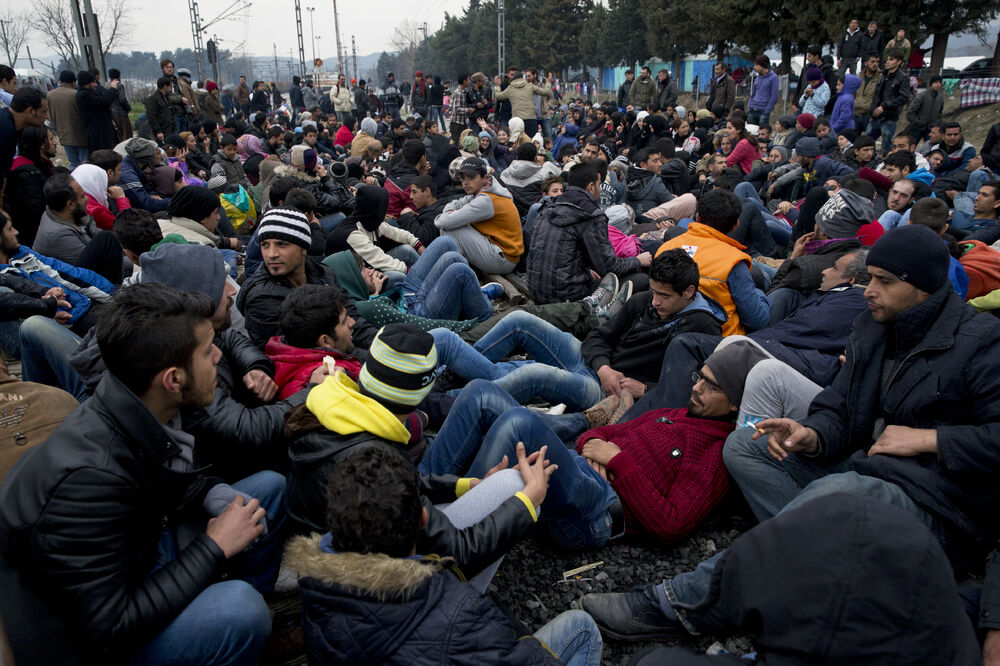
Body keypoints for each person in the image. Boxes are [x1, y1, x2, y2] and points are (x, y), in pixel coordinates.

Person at [577, 225, 1000, 650]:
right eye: (869, 277)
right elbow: (841, 409)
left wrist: (931, 441)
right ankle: (821, 547)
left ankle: (682, 604)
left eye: (883, 282)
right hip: (870, 466)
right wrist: (811, 434)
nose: (868, 290)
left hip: (938, 501)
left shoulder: (980, 342)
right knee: (744, 444)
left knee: (842, 492)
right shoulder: (874, 328)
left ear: (923, 286)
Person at [0, 283, 284, 665]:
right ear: (172, 379)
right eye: (206, 351)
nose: (219, 355)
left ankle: (231, 632)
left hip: (139, 552)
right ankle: (225, 630)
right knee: (240, 609)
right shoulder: (88, 482)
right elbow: (109, 625)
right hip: (85, 640)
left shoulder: (140, 407)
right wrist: (212, 549)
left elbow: (170, 483)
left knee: (267, 488)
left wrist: (211, 493)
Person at [285, 443, 603, 665]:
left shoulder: (314, 578)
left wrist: (472, 486)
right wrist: (527, 500)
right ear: (424, 520)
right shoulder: (457, 611)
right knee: (582, 627)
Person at [236, 207, 377, 348]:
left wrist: (384, 345)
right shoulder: (261, 298)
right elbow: (293, 355)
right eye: (265, 245)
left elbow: (352, 321)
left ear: (303, 248)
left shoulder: (324, 273)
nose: (271, 254)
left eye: (281, 244)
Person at [528, 162, 649, 305]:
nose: (600, 189)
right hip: (567, 298)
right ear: (591, 186)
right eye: (599, 184)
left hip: (536, 291)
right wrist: (638, 260)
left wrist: (585, 268)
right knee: (641, 280)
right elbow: (609, 267)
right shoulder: (590, 215)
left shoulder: (548, 208)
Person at [656, 189, 770, 335]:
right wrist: (760, 295)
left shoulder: (664, 249)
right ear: (736, 225)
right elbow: (757, 321)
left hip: (669, 333)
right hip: (720, 343)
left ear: (697, 217)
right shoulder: (734, 261)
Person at [433, 157, 523, 275]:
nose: (466, 182)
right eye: (463, 178)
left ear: (484, 178)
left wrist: (447, 214)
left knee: (450, 228)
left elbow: (442, 222)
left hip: (503, 259)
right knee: (450, 225)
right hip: (499, 252)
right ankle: (458, 270)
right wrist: (449, 212)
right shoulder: (480, 192)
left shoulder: (486, 200)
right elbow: (454, 203)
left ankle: (460, 274)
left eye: (472, 177)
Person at [3, 127, 56, 246]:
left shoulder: (40, 166)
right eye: (51, 139)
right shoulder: (27, 175)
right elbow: (33, 215)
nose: (55, 143)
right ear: (42, 145)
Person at [867, 48, 910, 154]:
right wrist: (872, 112)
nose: (888, 62)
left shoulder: (903, 78)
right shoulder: (883, 76)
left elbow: (903, 98)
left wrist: (885, 106)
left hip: (890, 117)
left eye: (891, 59)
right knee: (867, 141)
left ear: (899, 62)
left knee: (886, 144)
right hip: (876, 115)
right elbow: (877, 95)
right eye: (887, 59)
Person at [47, 71, 88, 168]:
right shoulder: (76, 94)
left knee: (73, 163)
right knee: (85, 164)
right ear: (73, 82)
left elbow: (50, 115)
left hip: (64, 135)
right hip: (80, 135)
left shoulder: (50, 95)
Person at [396, 173, 447, 246]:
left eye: (414, 192)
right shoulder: (430, 209)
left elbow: (423, 240)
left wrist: (408, 216)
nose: (410, 196)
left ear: (427, 191)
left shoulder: (436, 214)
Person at [75, 69, 118, 153]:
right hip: (98, 134)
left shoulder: (88, 93)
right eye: (93, 82)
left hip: (101, 131)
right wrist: (112, 89)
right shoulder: (84, 95)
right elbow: (103, 101)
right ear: (87, 83)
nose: (95, 85)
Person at [906, 75, 944, 144]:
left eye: (939, 83)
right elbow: (911, 111)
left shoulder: (940, 97)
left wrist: (936, 124)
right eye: (935, 82)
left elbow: (940, 113)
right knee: (911, 145)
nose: (938, 84)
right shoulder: (922, 95)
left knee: (931, 147)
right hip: (917, 127)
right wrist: (917, 122)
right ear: (931, 83)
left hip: (930, 128)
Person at [746, 56, 779, 126]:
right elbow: (753, 94)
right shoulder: (757, 78)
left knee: (762, 133)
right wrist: (749, 107)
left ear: (763, 65)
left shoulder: (773, 78)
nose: (755, 67)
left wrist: (767, 110)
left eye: (757, 65)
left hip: (763, 111)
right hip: (752, 109)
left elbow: (774, 96)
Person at [106, 68, 132, 142]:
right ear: (119, 77)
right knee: (127, 137)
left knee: (118, 137)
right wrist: (128, 108)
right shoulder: (119, 85)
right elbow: (122, 99)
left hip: (112, 114)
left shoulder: (107, 85)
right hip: (121, 114)